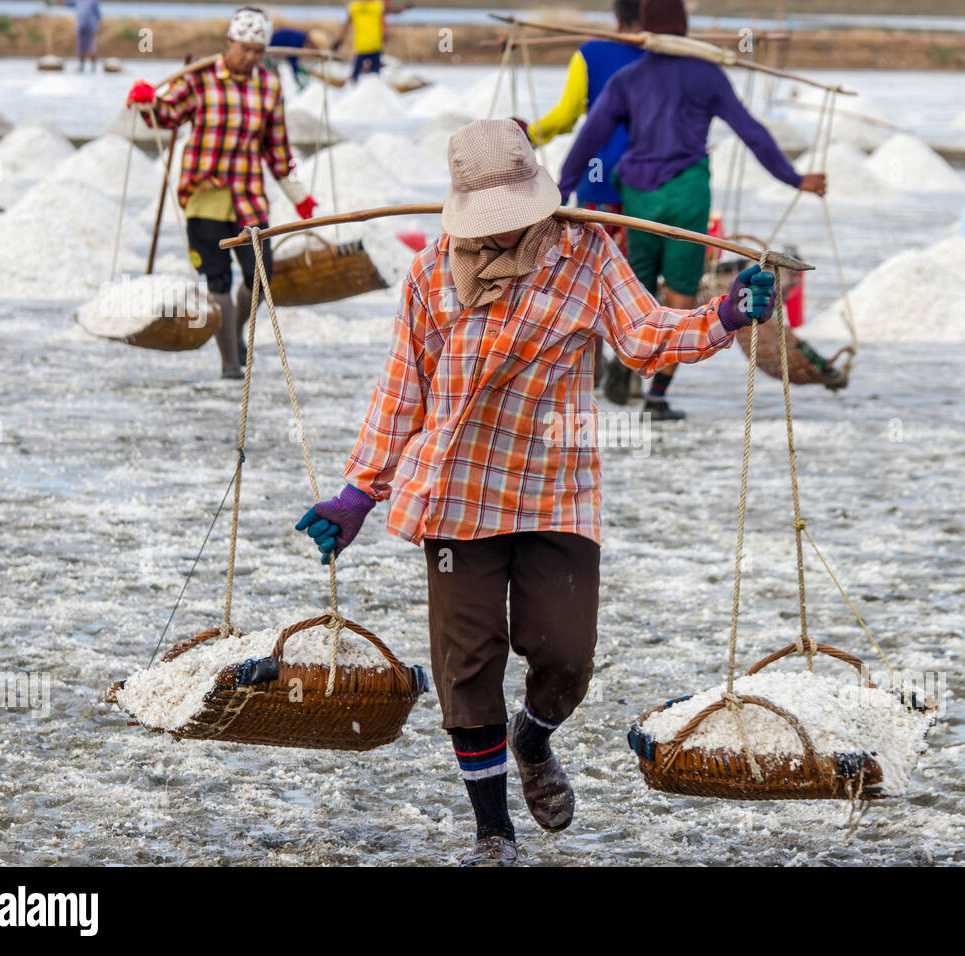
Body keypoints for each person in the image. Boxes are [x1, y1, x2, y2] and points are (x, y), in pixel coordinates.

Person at [293, 118, 780, 867]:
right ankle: (493, 829)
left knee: (565, 653)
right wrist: (359, 492)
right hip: (456, 493)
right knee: (468, 665)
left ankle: (535, 737)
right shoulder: (431, 276)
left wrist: (723, 317)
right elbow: (402, 392)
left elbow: (646, 337)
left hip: (555, 488)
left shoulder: (585, 256)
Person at [559, 0, 826, 421]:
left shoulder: (628, 79)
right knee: (682, 293)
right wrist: (795, 179)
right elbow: (751, 131)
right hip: (686, 195)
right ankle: (657, 396)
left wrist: (559, 191)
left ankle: (626, 366)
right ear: (685, 29)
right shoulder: (706, 75)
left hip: (640, 197)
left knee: (636, 291)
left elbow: (588, 138)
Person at [126, 6, 318, 380]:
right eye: (244, 48)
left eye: (258, 51)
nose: (250, 57)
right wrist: (147, 99)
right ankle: (230, 364)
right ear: (229, 42)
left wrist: (299, 194)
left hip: (248, 195)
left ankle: (233, 330)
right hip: (205, 195)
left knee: (260, 276)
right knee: (218, 282)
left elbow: (277, 148)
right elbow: (166, 115)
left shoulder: (269, 86)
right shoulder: (200, 80)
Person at [520, 0, 643, 392]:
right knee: (638, 275)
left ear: (617, 17)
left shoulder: (590, 54)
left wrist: (528, 133)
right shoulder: (668, 55)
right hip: (652, 182)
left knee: (590, 274)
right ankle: (638, 361)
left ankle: (590, 368)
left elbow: (567, 115)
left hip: (597, 178)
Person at [336, 0, 410, 82]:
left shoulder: (356, 7)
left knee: (358, 75)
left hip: (366, 46)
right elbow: (394, 11)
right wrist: (404, 8)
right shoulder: (375, 6)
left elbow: (345, 27)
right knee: (373, 75)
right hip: (370, 46)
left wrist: (339, 41)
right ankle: (365, 86)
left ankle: (359, 86)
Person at [267, 26, 333, 90]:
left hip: (274, 51)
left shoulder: (301, 38)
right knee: (273, 77)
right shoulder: (298, 40)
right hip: (271, 50)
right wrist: (297, 79)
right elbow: (292, 58)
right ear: (311, 42)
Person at [62, 0, 100, 72]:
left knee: (91, 46)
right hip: (81, 26)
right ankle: (81, 67)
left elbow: (98, 15)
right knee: (80, 47)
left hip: (91, 26)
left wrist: (97, 26)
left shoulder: (93, 1)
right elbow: (66, 3)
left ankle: (93, 68)